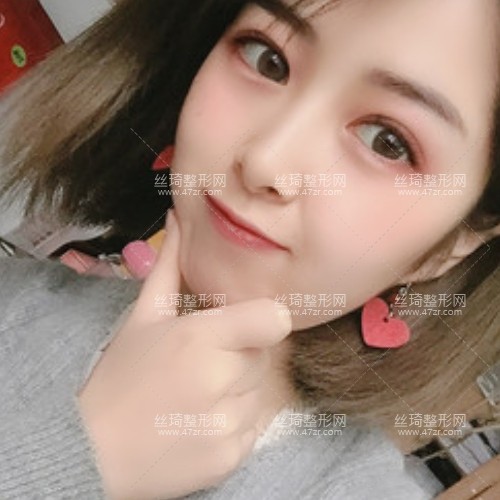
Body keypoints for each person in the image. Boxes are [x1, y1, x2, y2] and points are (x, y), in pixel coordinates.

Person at [0, 0, 499, 498]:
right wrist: (84, 456)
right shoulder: (19, 296)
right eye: (268, 59)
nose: (265, 160)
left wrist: (76, 464)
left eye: (386, 141)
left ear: (453, 243)